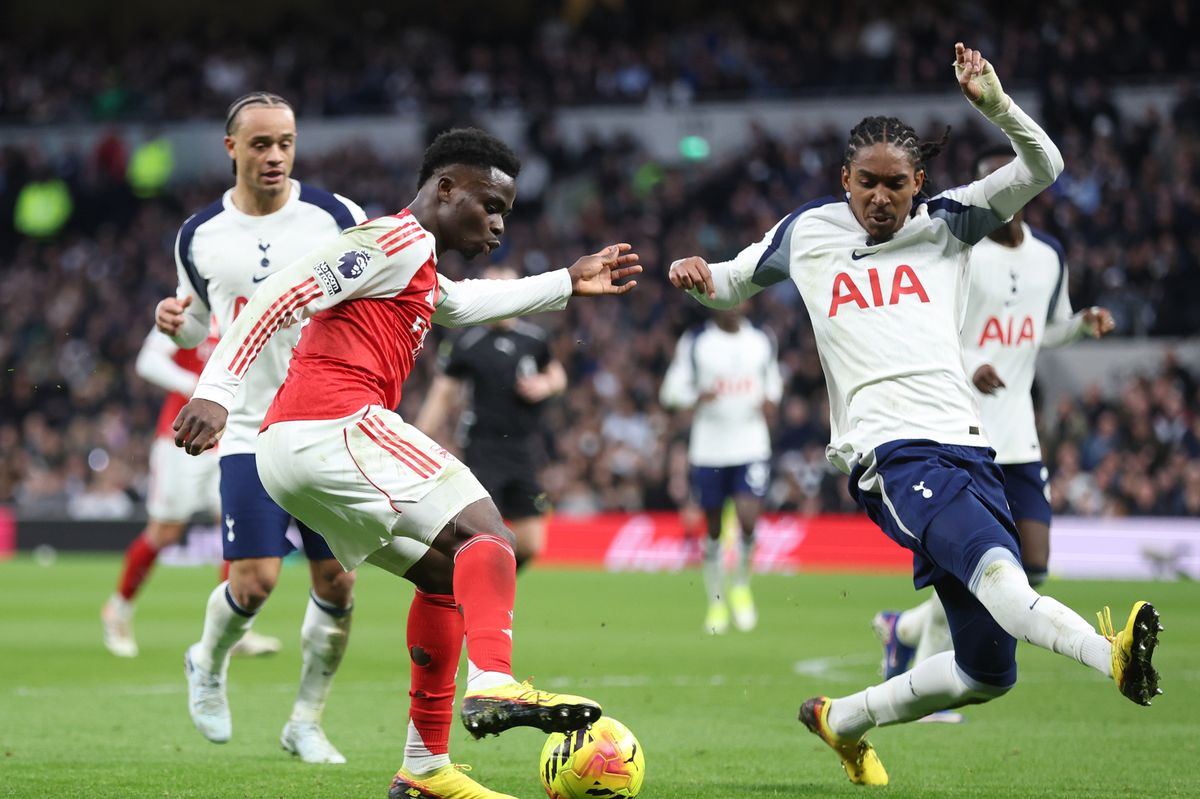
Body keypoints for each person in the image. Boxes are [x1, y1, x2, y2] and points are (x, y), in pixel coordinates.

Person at [667, 44, 1161, 786]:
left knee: (987, 671)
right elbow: (731, 283)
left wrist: (994, 104)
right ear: (845, 180)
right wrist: (697, 279)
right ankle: (1111, 655)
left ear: (918, 183)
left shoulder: (949, 222)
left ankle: (843, 718)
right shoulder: (807, 233)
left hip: (970, 448)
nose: (880, 199)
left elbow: (1044, 168)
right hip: (889, 452)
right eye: (866, 183)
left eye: (895, 184)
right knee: (1006, 578)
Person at [172, 127, 641, 799]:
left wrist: (565, 281)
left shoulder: (416, 264)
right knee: (489, 532)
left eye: (507, 211)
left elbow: (458, 303)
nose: (499, 223)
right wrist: (215, 393)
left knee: (448, 577)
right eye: (490, 204)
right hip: (328, 424)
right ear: (445, 188)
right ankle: (494, 682)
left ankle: (425, 769)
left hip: (293, 451)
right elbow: (280, 296)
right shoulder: (391, 239)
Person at [154, 92, 366, 764]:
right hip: (246, 427)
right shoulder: (199, 234)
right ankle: (207, 663)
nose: (275, 156)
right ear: (231, 149)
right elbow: (197, 323)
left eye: (285, 143)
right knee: (254, 582)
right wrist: (173, 320)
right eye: (260, 144)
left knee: (337, 582)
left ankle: (305, 720)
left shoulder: (338, 218)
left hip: (327, 423)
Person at [871, 147, 1118, 706]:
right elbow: (926, 332)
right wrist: (967, 364)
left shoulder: (1050, 256)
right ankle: (927, 654)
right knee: (975, 567)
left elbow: (1043, 331)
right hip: (960, 432)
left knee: (1032, 568)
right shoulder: (961, 253)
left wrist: (1079, 326)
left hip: (1019, 435)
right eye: (990, 182)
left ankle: (904, 628)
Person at [101, 329, 281, 660]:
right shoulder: (192, 302)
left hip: (234, 435)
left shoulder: (253, 300)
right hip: (182, 436)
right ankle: (118, 609)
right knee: (165, 532)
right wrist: (197, 387)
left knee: (235, 526)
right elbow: (148, 361)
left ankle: (234, 628)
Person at [415, 263, 566, 570]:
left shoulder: (534, 339)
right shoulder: (465, 342)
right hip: (481, 446)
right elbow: (442, 394)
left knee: (531, 543)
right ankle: (450, 586)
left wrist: (545, 384)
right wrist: (418, 439)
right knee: (478, 532)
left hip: (522, 448)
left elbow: (557, 376)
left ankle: (484, 583)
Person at [659, 307, 782, 634]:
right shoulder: (697, 341)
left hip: (751, 444)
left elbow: (773, 385)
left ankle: (740, 586)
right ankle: (716, 602)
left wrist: (770, 400)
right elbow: (670, 391)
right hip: (709, 447)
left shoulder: (761, 339)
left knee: (748, 520)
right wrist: (695, 396)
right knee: (712, 528)